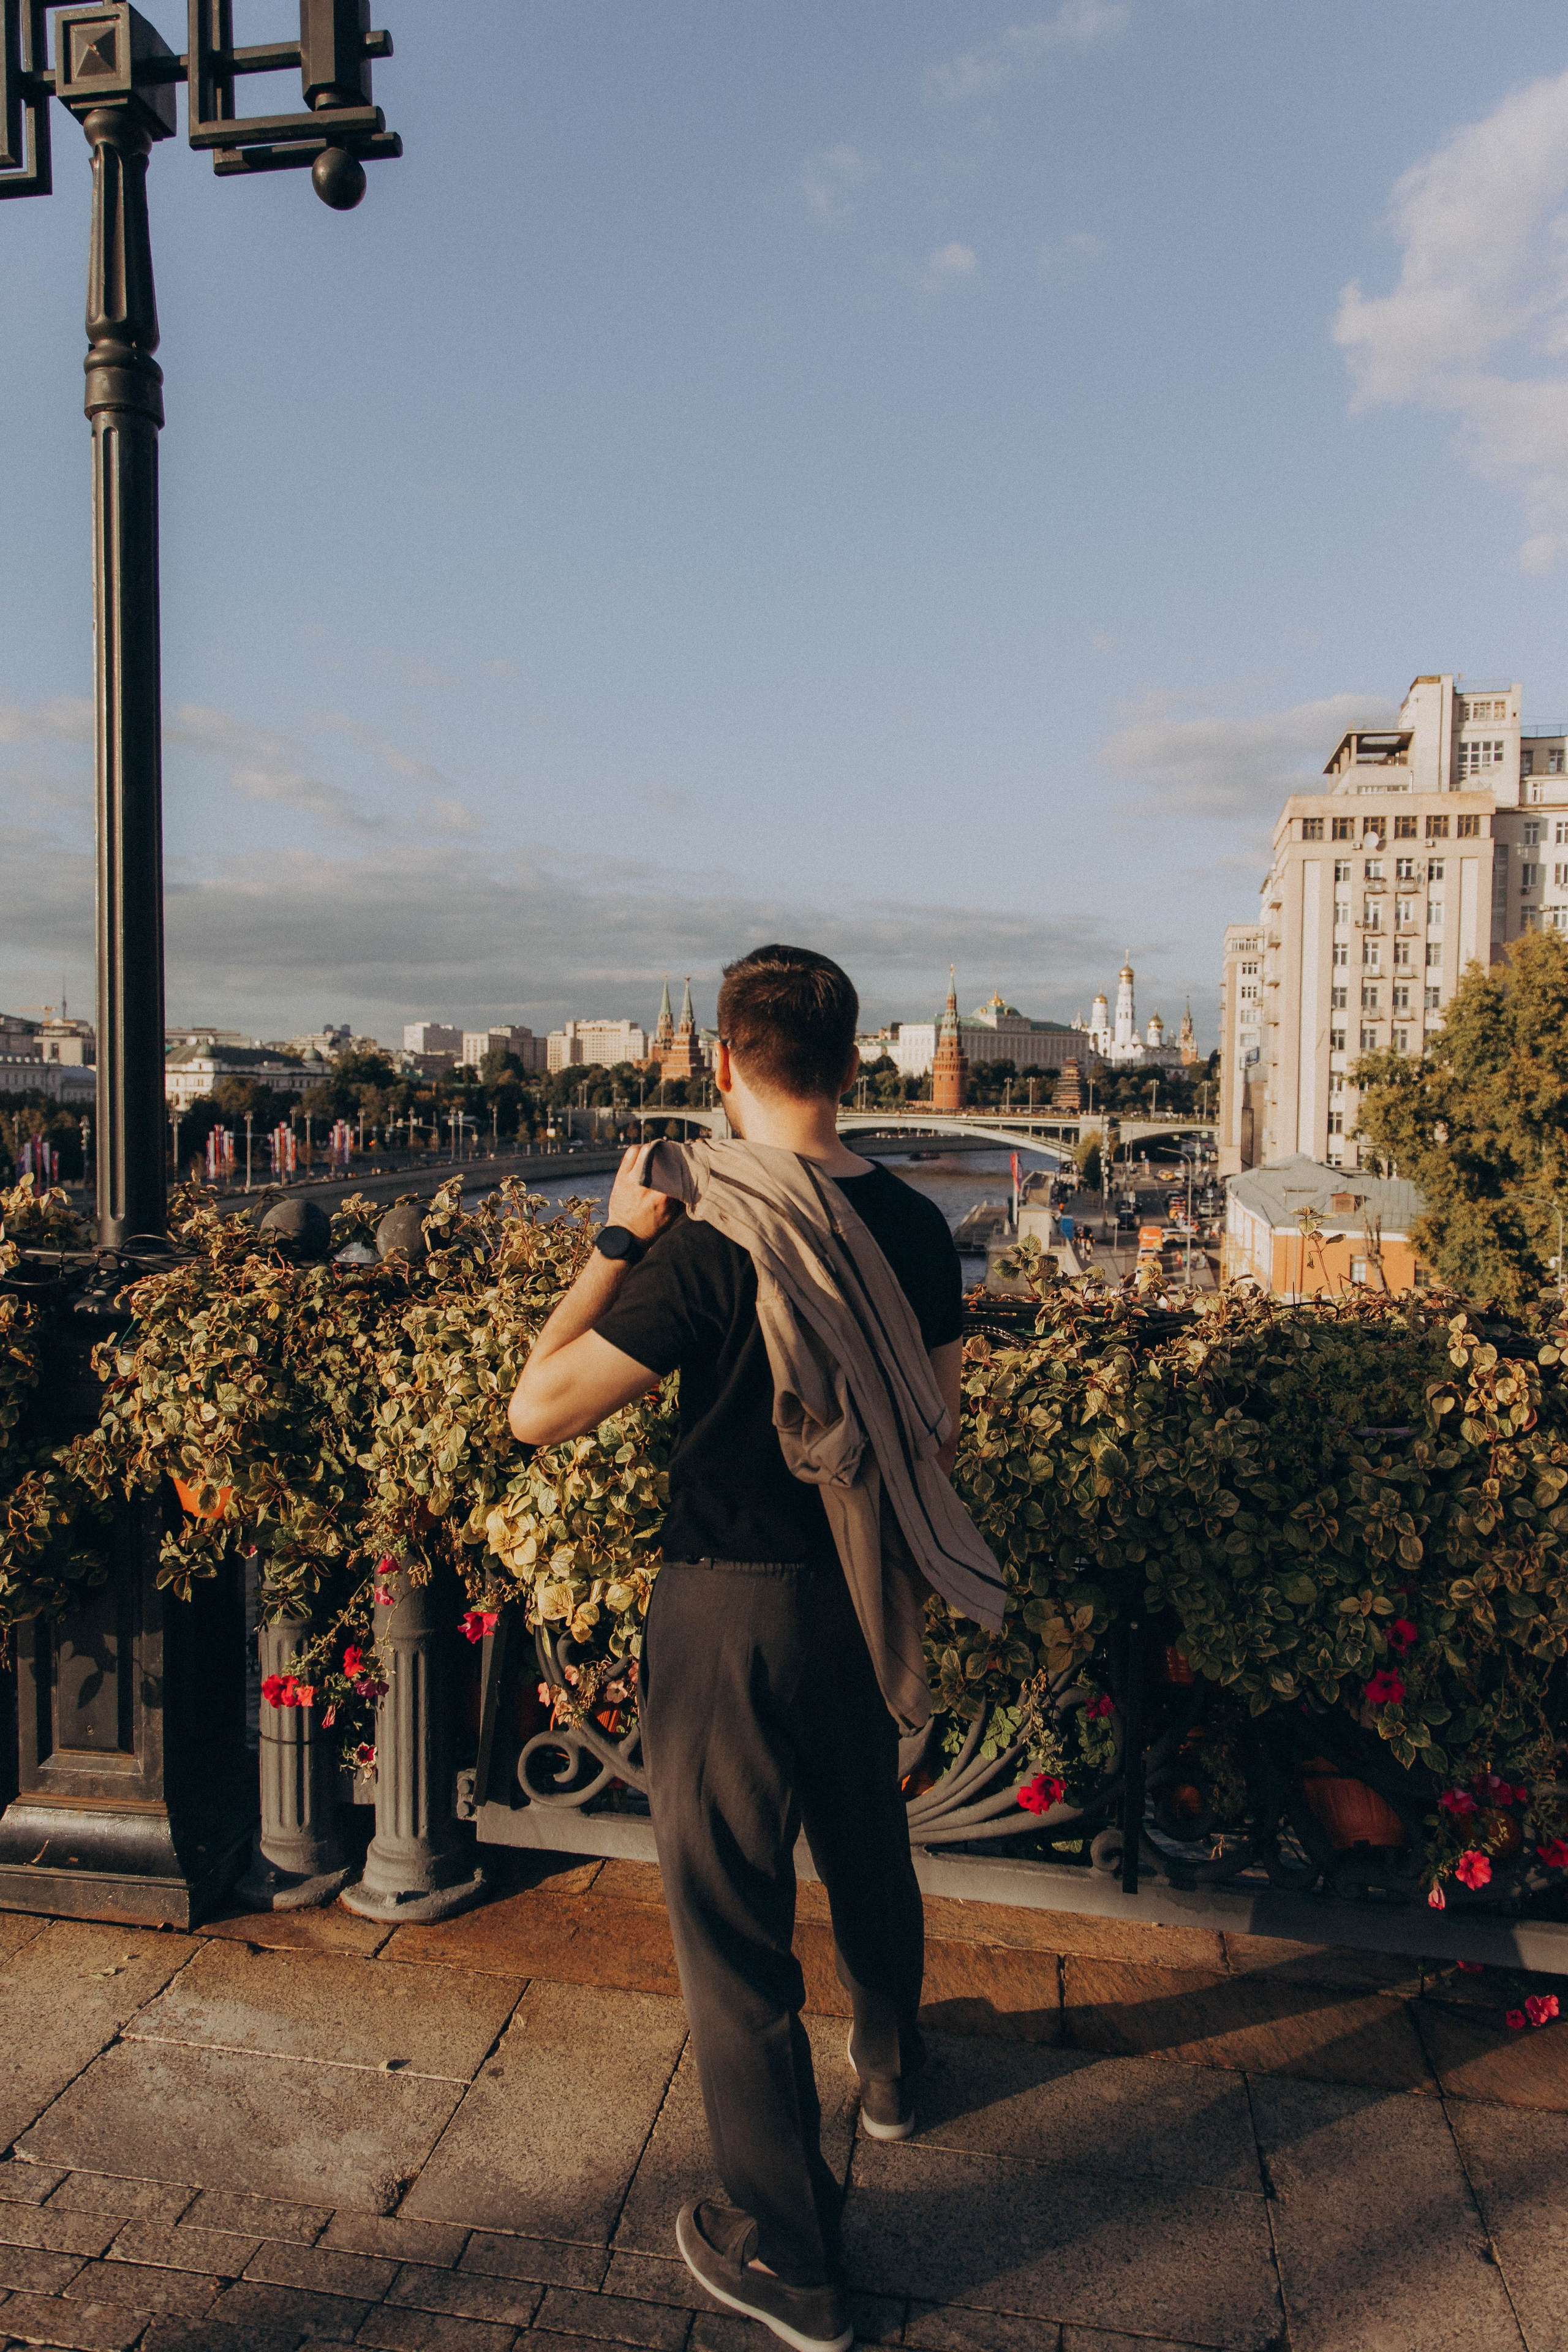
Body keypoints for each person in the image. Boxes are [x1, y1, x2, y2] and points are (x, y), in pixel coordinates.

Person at [509, 943, 1001, 2352]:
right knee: (864, 1841)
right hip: (860, 1587)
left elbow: (535, 1410)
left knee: (730, 1929)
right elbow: (939, 1421)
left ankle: (786, 2253)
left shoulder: (711, 1236)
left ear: (721, 1064)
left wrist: (613, 1241)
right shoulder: (912, 1225)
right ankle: (896, 2077)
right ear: (853, 1067)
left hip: (725, 1604)